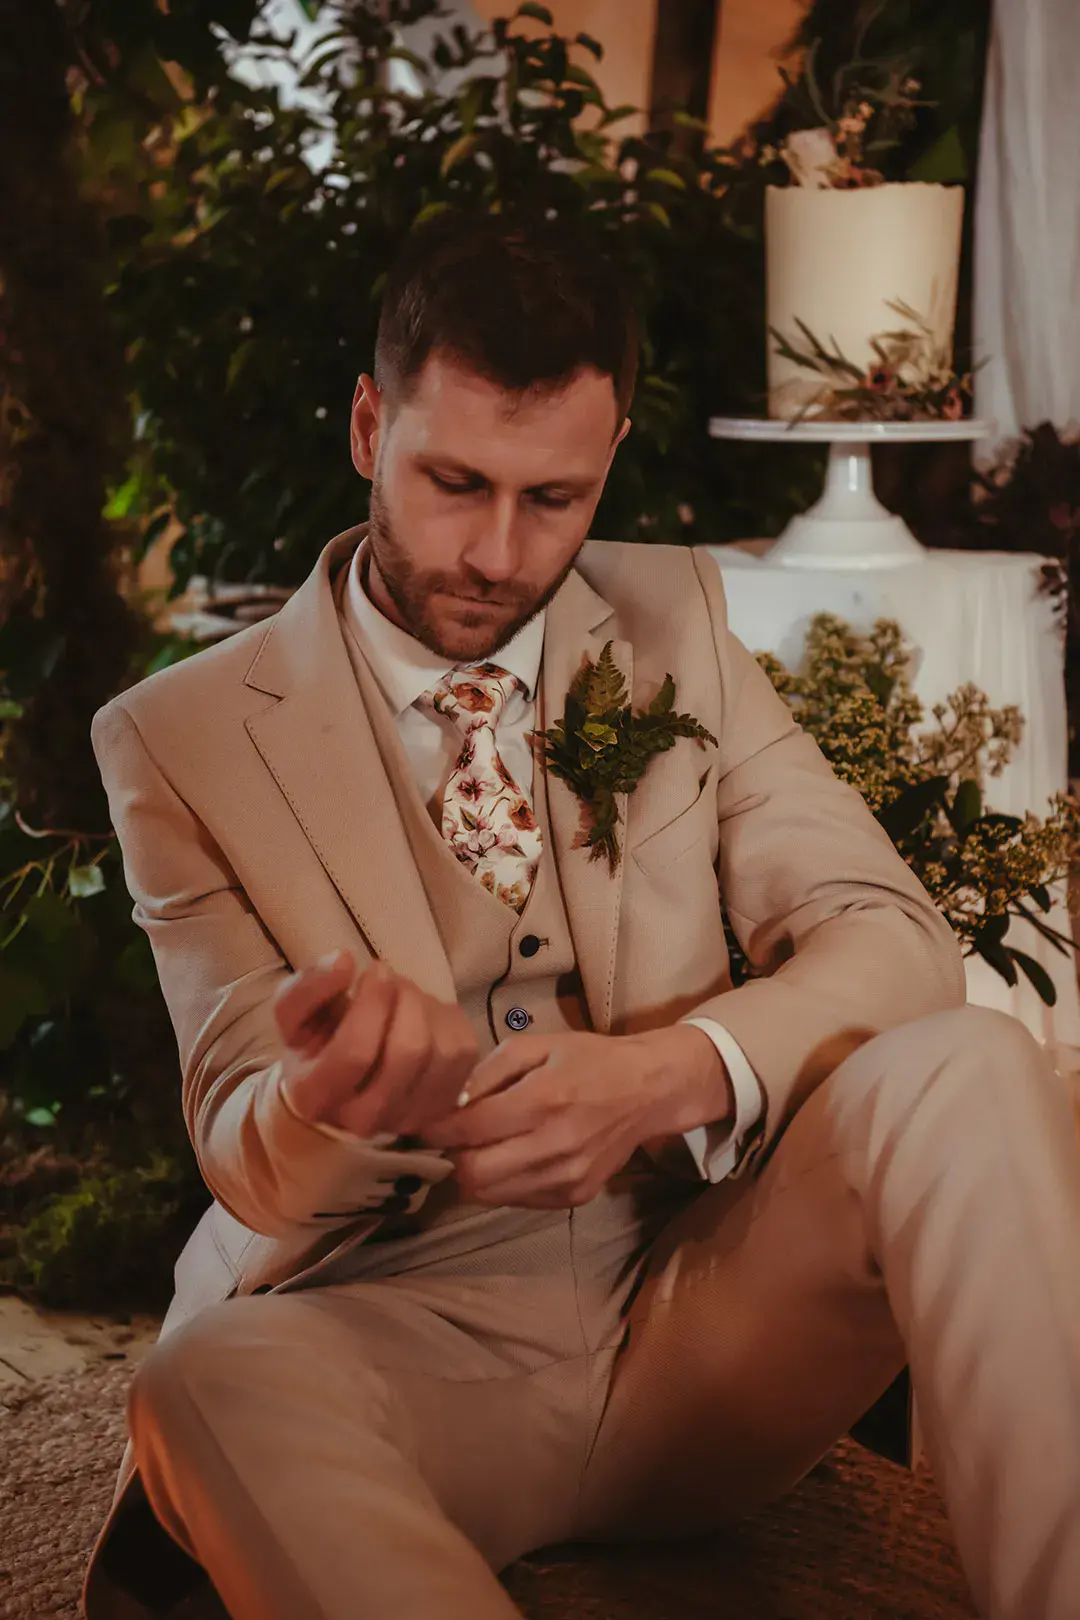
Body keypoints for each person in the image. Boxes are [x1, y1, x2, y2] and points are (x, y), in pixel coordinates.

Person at [82, 210, 1080, 1620]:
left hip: (702, 1323)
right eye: (454, 482)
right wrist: (332, 1097)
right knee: (201, 1386)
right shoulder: (177, 738)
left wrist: (669, 1072)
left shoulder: (675, 621)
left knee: (975, 1063)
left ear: (608, 459)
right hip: (392, 1343)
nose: (496, 553)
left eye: (552, 499)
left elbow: (890, 932)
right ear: (370, 426)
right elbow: (245, 1144)